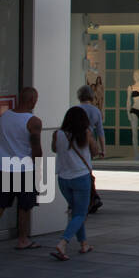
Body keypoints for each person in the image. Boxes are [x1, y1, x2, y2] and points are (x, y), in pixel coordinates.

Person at [0, 87, 44, 253]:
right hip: (24, 170)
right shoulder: (33, 121)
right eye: (35, 99)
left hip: (5, 168)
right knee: (24, 206)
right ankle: (22, 240)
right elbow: (37, 149)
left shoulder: (3, 118)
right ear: (31, 100)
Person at [50, 105, 95, 260]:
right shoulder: (86, 133)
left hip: (63, 179)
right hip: (81, 177)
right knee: (80, 214)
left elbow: (54, 149)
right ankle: (63, 242)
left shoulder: (58, 134)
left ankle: (84, 244)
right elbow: (94, 151)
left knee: (77, 212)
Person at [75, 85, 105, 214]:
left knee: (79, 171)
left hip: (75, 143)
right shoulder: (95, 111)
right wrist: (103, 149)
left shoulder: (75, 109)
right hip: (89, 143)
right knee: (87, 170)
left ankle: (89, 198)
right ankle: (92, 198)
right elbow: (100, 131)